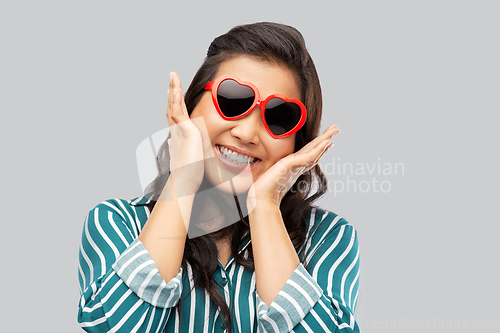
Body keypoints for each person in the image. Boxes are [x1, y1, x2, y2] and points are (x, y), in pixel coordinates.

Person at [77, 22, 360, 332]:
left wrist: (264, 205)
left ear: (298, 143)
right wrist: (184, 178)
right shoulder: (117, 222)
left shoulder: (327, 237)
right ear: (192, 104)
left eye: (279, 117)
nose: (247, 133)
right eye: (233, 100)